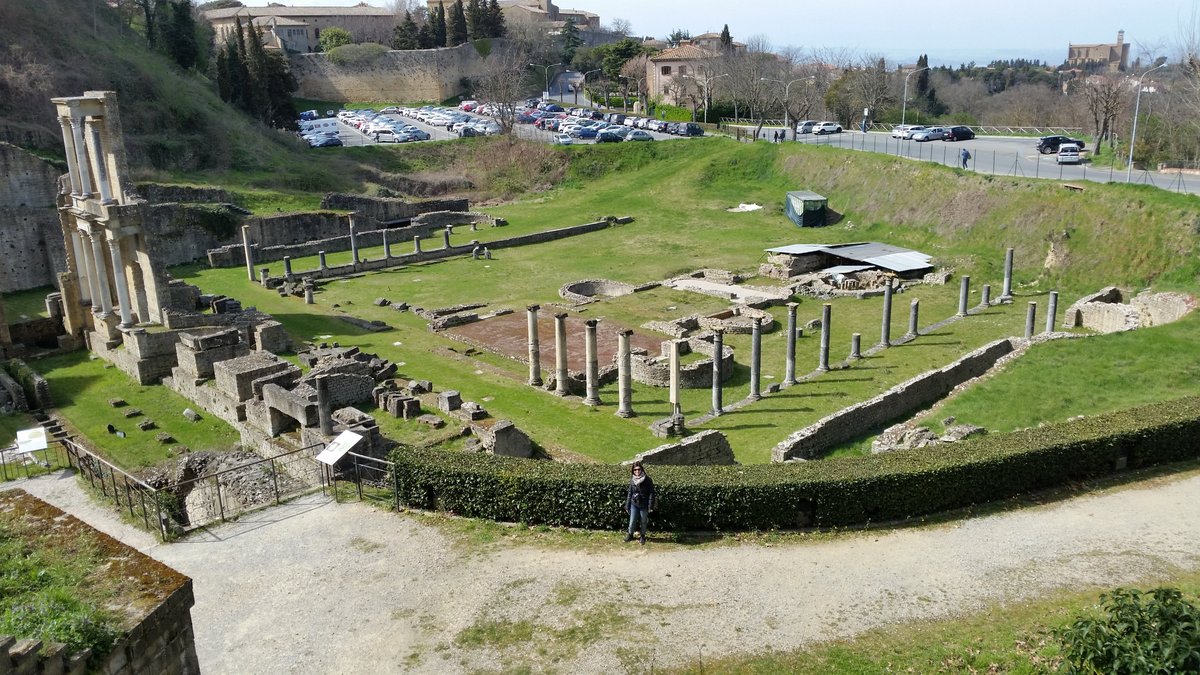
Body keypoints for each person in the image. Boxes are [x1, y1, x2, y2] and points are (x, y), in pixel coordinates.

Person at [624, 462, 656, 544]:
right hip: (634, 504)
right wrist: (627, 506)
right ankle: (630, 535)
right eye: (635, 470)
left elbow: (651, 493)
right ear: (633, 471)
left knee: (643, 521)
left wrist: (650, 506)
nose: (637, 471)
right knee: (632, 521)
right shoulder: (632, 480)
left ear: (641, 470)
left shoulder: (648, 480)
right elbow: (630, 493)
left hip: (644, 504)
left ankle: (642, 536)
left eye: (638, 469)